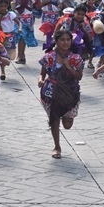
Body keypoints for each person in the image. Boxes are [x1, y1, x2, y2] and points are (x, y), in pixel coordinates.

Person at [38, 29, 84, 158]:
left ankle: (66, 116)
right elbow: (42, 74)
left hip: (70, 93)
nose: (65, 43)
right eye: (62, 40)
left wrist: (69, 67)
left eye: (68, 40)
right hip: (50, 93)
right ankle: (57, 147)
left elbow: (79, 76)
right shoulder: (49, 57)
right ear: (56, 41)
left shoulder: (76, 58)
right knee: (54, 119)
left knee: (67, 124)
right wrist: (41, 81)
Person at [0, 0, 21, 80]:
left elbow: (19, 22)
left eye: (4, 6)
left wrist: (20, 28)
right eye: (1, 6)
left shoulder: (11, 14)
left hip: (10, 36)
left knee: (10, 55)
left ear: (7, 6)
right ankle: (3, 72)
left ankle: (4, 63)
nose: (3, 8)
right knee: (1, 53)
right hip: (0, 36)